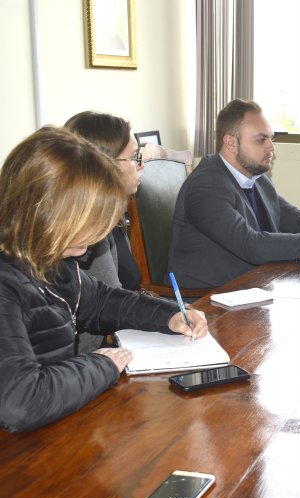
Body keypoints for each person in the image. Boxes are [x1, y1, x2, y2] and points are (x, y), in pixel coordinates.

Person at [0, 127, 208, 432]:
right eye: (88, 221)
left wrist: (171, 315)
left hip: (54, 428)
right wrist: (101, 364)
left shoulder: (52, 261)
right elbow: (21, 402)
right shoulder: (7, 284)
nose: (94, 237)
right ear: (47, 213)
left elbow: (102, 301)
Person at [168, 99, 300, 288]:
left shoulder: (257, 179)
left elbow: (293, 219)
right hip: (207, 300)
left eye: (271, 139)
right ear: (230, 142)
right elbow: (252, 245)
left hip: (255, 285)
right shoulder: (206, 186)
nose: (271, 147)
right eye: (260, 140)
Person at [64, 110, 145, 352]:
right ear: (104, 163)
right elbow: (111, 304)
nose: (141, 164)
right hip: (94, 355)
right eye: (134, 157)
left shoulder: (116, 215)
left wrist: (169, 312)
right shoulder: (88, 229)